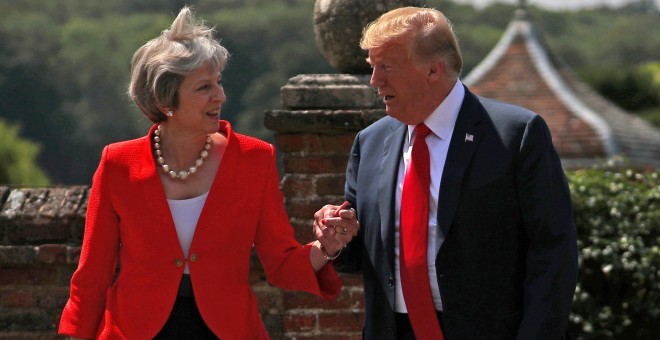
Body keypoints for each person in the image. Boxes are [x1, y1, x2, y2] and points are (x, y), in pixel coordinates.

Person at [58, 7, 353, 339]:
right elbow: (93, 272)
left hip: (226, 330)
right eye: (204, 87)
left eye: (219, 82)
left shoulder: (254, 159)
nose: (221, 95)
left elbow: (280, 263)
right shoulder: (118, 163)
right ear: (166, 99)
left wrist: (326, 246)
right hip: (134, 329)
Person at [314, 6, 578, 340]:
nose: (374, 81)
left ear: (433, 70)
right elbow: (359, 256)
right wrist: (337, 239)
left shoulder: (517, 135)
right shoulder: (369, 142)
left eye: (386, 67)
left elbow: (554, 252)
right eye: (372, 67)